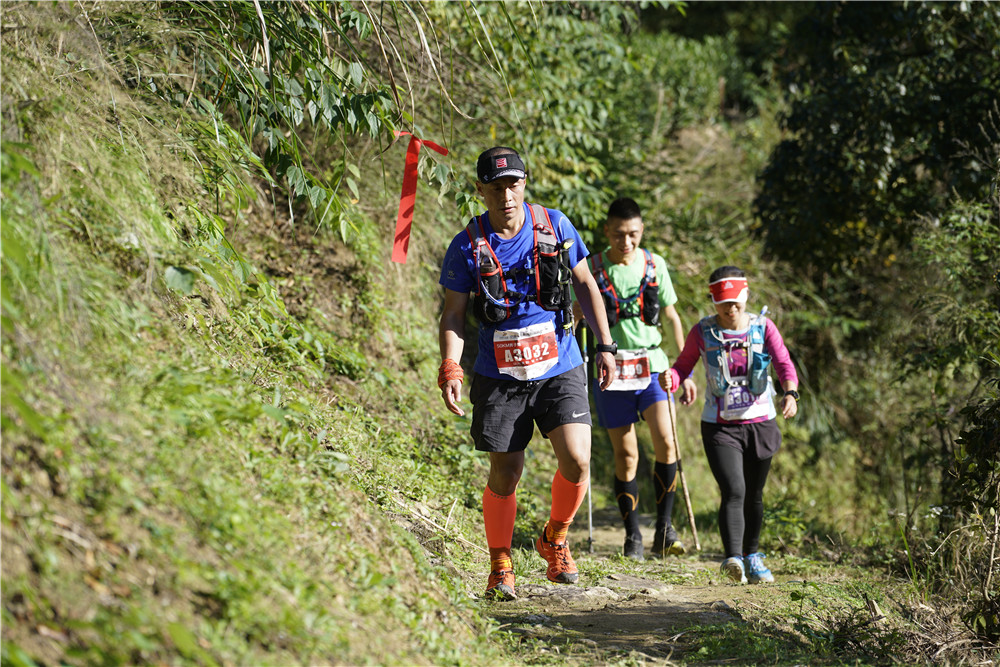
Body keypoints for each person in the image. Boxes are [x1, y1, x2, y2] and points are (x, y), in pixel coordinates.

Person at [438, 146, 617, 601]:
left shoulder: (554, 224)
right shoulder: (465, 245)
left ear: (525, 184)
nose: (506, 195)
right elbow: (454, 314)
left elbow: (585, 284)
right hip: (499, 374)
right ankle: (500, 563)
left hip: (560, 364)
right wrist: (450, 364)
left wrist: (607, 345)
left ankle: (554, 538)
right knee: (507, 471)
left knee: (577, 459)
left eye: (513, 184)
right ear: (480, 191)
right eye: (495, 187)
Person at [660, 266, 799, 584]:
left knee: (755, 493)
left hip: (761, 422)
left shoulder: (763, 327)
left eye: (736, 302)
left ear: (746, 296)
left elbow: (783, 362)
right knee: (734, 489)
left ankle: (753, 555)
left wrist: (790, 393)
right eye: (723, 302)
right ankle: (733, 559)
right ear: (713, 300)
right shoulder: (703, 331)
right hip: (720, 426)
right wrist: (675, 377)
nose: (730, 308)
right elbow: (684, 365)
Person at [582, 197, 698, 560]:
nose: (626, 242)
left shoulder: (654, 264)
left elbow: (673, 316)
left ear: (641, 231)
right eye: (618, 235)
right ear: (607, 231)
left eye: (633, 234)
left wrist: (683, 368)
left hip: (653, 368)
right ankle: (632, 534)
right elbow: (574, 312)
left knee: (666, 443)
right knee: (627, 453)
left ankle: (664, 529)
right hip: (612, 370)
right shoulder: (592, 267)